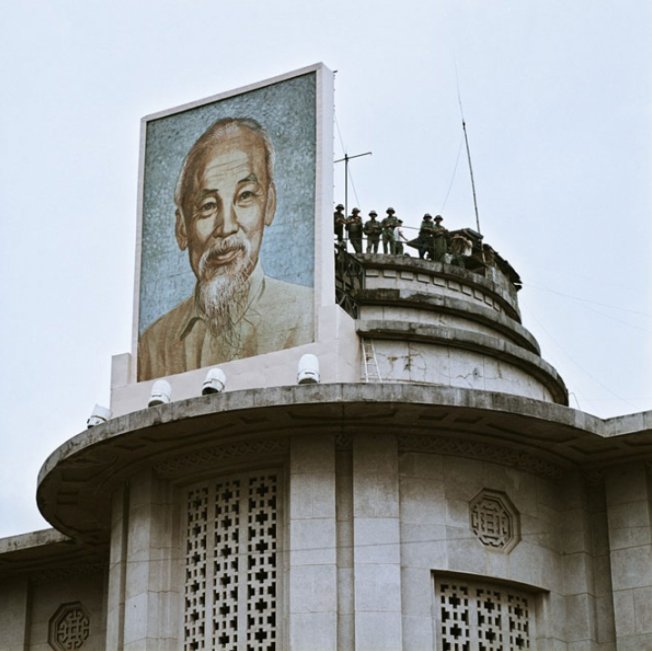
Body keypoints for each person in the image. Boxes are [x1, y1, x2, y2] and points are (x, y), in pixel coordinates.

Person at [138, 117, 313, 381]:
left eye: (245, 196)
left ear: (269, 205)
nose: (227, 226)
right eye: (208, 205)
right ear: (182, 227)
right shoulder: (153, 346)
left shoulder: (306, 316)